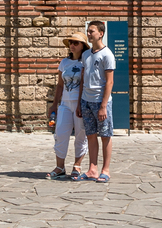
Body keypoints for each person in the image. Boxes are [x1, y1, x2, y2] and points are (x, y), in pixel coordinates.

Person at [45, 29, 89, 179]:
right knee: (60, 134)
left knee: (80, 135)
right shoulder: (64, 62)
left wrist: (81, 105)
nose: (72, 45)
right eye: (71, 43)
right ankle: (59, 166)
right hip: (65, 103)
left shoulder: (86, 62)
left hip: (81, 103)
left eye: (76, 43)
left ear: (83, 46)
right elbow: (59, 85)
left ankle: (77, 166)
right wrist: (54, 105)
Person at [78, 20, 117, 182]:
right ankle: (92, 169)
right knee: (91, 135)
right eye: (88, 31)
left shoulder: (107, 55)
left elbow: (109, 82)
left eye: (91, 31)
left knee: (105, 136)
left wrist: (103, 106)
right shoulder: (86, 55)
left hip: (101, 102)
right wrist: (81, 102)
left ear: (101, 33)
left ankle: (105, 170)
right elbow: (82, 79)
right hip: (86, 101)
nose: (88, 34)